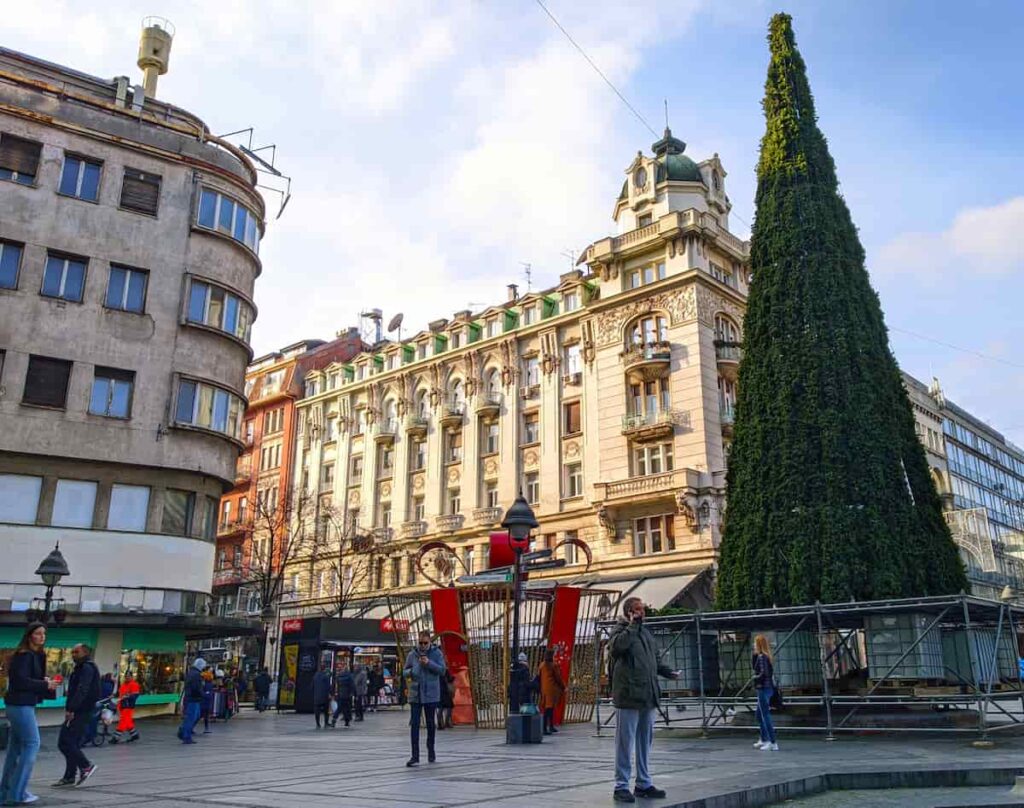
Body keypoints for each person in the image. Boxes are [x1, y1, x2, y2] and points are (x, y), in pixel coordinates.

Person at [609, 597, 680, 804]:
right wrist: (632, 626)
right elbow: (616, 649)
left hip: (648, 695)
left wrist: (669, 673)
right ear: (629, 612)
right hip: (628, 695)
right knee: (625, 742)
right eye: (638, 610)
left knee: (644, 742)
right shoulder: (621, 630)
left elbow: (654, 660)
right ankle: (621, 785)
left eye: (643, 609)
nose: (642, 613)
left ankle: (643, 783)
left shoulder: (646, 634)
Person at [0, 622, 52, 806]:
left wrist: (45, 682)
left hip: (20, 704)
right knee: (32, 743)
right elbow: (21, 681)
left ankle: (6, 792)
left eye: (44, 634)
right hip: (20, 705)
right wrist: (44, 684)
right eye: (38, 633)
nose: (42, 637)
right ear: (30, 635)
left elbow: (30, 680)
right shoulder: (24, 655)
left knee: (15, 748)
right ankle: (17, 792)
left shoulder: (35, 655)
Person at [53, 643, 101, 788]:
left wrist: (72, 709)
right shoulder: (81, 668)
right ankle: (69, 776)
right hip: (80, 710)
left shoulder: (87, 667)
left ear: (85, 653)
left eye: (76, 652)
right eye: (72, 652)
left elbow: (82, 689)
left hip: (81, 711)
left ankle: (86, 766)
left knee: (66, 742)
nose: (73, 655)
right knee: (68, 743)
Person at [403, 630, 445, 767]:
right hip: (415, 694)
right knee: (414, 724)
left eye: (425, 643)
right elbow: (404, 672)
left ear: (430, 642)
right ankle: (414, 755)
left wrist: (429, 663)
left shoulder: (437, 653)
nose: (422, 646)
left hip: (431, 694)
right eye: (420, 643)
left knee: (430, 723)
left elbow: (442, 670)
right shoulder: (412, 654)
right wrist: (412, 671)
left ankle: (431, 750)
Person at [752, 634, 779, 752]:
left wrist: (755, 678)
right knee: (759, 714)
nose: (753, 645)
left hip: (763, 687)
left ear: (758, 644)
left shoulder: (762, 657)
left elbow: (764, 673)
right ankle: (764, 739)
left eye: (754, 643)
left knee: (764, 715)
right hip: (767, 687)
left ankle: (772, 742)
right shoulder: (764, 656)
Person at [179, 657, 207, 744]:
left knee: (195, 716)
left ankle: (183, 731)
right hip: (193, 699)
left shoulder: (191, 673)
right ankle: (186, 735)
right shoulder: (196, 675)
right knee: (191, 717)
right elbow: (196, 688)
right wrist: (202, 694)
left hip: (191, 698)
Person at [538, 649, 566, 736]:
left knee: (547, 708)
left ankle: (547, 726)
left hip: (544, 689)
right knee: (550, 709)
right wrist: (563, 687)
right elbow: (558, 678)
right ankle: (547, 727)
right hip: (552, 689)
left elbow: (539, 676)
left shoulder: (542, 665)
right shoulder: (553, 666)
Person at [84, 673, 116, 745]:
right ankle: (92, 734)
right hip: (101, 704)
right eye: (113, 677)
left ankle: (90, 735)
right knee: (94, 719)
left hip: (96, 703)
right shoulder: (108, 685)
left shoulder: (100, 683)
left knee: (91, 719)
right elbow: (107, 695)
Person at [113, 670, 141, 743]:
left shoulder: (134, 684)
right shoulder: (124, 685)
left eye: (128, 676)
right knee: (128, 722)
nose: (127, 678)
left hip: (128, 706)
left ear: (132, 677)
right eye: (126, 676)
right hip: (123, 705)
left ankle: (116, 737)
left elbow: (135, 695)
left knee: (123, 722)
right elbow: (120, 694)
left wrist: (128, 696)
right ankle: (134, 735)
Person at [331, 659, 354, 728]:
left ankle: (334, 719)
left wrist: (336, 693)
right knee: (347, 708)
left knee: (339, 708)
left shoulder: (339, 677)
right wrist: (352, 693)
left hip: (340, 694)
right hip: (347, 695)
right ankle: (347, 722)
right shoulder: (349, 676)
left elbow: (336, 686)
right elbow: (352, 685)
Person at [312, 664, 332, 729]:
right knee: (326, 711)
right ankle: (326, 723)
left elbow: (312, 686)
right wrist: (330, 694)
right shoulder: (326, 677)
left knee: (317, 711)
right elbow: (328, 687)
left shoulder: (315, 676)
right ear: (324, 669)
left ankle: (318, 724)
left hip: (316, 696)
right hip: (324, 696)